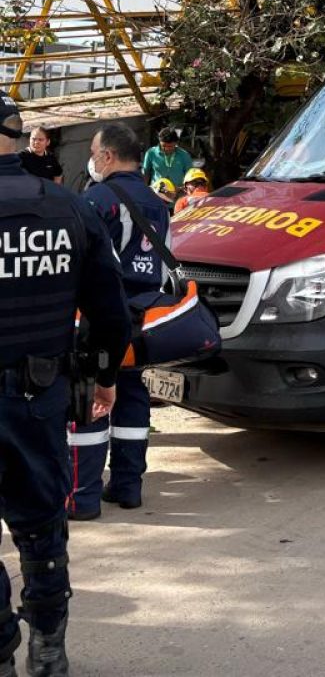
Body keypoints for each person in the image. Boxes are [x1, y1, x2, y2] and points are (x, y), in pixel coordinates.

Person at [0, 91, 130, 677]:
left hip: (32, 393)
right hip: (39, 398)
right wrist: (105, 379)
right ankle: (48, 649)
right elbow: (111, 311)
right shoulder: (70, 208)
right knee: (42, 525)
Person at [69, 124, 169, 520]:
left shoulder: (96, 200)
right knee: (131, 395)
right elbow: (164, 264)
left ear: (107, 156)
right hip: (143, 315)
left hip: (101, 316)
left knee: (90, 398)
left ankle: (83, 497)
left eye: (94, 153)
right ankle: (128, 487)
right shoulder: (158, 203)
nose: (92, 160)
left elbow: (80, 264)